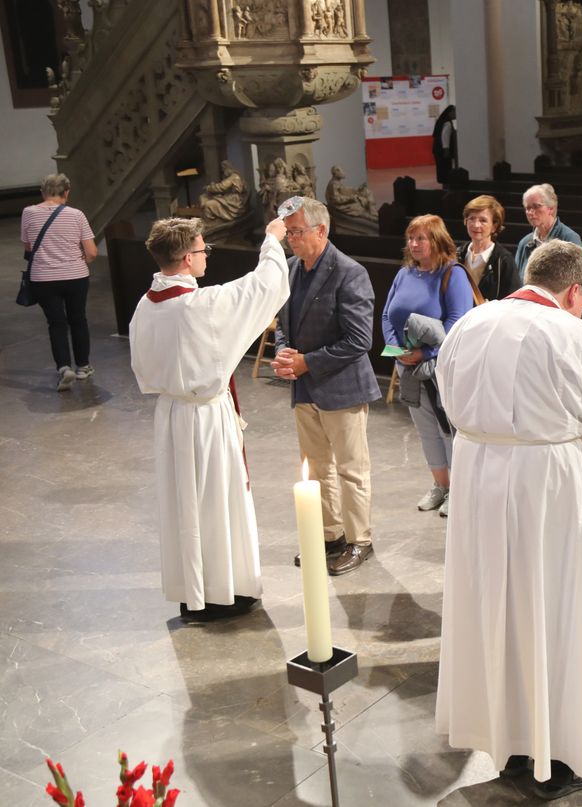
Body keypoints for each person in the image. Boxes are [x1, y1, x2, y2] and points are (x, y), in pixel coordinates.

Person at [434, 239, 582, 799]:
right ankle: (563, 755)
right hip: (550, 486)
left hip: (478, 479)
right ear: (576, 291)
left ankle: (510, 744)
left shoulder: (470, 325)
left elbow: (448, 401)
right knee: (556, 610)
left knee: (496, 609)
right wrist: (579, 460)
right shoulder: (577, 335)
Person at [129, 216, 289, 620]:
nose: (206, 258)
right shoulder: (201, 305)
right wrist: (271, 239)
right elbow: (264, 286)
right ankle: (224, 591)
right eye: (203, 250)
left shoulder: (145, 306)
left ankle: (193, 589)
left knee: (184, 503)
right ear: (186, 258)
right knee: (216, 502)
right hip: (205, 418)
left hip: (171, 413)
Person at [272, 197, 381, 576]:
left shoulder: (349, 272)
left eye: (297, 232)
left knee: (351, 468)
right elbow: (283, 323)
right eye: (288, 233)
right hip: (304, 388)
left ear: (321, 230)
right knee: (317, 468)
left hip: (341, 387)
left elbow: (358, 340)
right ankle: (331, 535)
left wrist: (307, 362)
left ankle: (359, 540)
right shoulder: (288, 270)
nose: (291, 240)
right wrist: (285, 353)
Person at [382, 214, 475, 518]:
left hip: (439, 367)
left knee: (446, 427)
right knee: (425, 429)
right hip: (405, 364)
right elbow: (387, 315)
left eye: (421, 238)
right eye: (411, 238)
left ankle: (459, 490)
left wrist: (424, 353)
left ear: (437, 240)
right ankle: (441, 485)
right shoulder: (405, 273)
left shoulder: (453, 274)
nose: (414, 244)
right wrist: (397, 351)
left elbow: (456, 323)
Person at [21, 173, 98, 391]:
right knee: (78, 319)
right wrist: (78, 261)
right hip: (75, 276)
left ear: (42, 192)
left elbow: (28, 246)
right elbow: (91, 252)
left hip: (43, 278)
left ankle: (64, 368)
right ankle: (83, 366)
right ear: (67, 193)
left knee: (56, 323)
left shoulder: (28, 213)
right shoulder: (76, 215)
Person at [513, 183, 582, 280]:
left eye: (536, 206)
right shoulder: (524, 242)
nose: (530, 212)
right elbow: (516, 280)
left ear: (551, 209)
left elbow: (579, 280)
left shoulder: (569, 238)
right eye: (528, 208)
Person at [457, 195, 518, 300]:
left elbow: (512, 301)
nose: (476, 225)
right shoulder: (457, 254)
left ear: (494, 226)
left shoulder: (504, 260)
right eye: (471, 218)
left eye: (483, 220)